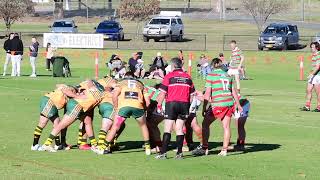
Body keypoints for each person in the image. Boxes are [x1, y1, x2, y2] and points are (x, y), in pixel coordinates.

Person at [192, 58, 242, 157]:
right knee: (226, 127)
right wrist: (238, 104)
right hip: (228, 103)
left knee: (205, 124)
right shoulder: (228, 75)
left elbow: (207, 94)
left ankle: (205, 148)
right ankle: (224, 150)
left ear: (212, 66)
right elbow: (234, 91)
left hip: (218, 104)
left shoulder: (211, 76)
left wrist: (204, 108)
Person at [95, 72, 151, 155]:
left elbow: (114, 96)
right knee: (143, 126)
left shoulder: (121, 83)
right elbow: (148, 102)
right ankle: (148, 148)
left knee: (115, 127)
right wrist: (144, 109)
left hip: (124, 107)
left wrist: (116, 107)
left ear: (125, 77)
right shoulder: (141, 84)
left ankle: (102, 148)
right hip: (138, 107)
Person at [41, 80, 105, 152]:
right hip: (76, 105)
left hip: (81, 106)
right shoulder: (101, 92)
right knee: (61, 125)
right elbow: (89, 81)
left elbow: (89, 82)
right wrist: (78, 95)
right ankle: (47, 144)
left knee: (88, 121)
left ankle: (94, 145)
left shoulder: (95, 89)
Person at [155, 57, 196, 160]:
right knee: (179, 129)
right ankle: (179, 153)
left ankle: (163, 153)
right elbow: (192, 94)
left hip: (172, 103)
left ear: (173, 66)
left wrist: (159, 105)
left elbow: (162, 93)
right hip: (184, 104)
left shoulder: (169, 76)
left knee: (167, 128)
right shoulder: (188, 77)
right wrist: (187, 105)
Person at [31, 84, 76, 151]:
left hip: (49, 102)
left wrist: (63, 86)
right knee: (43, 123)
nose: (73, 93)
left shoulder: (64, 89)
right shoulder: (68, 93)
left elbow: (57, 85)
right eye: (73, 91)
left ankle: (57, 145)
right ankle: (35, 145)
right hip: (49, 102)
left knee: (56, 123)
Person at [300, 42, 320, 112]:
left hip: (317, 75)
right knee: (308, 90)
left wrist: (312, 74)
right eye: (311, 47)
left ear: (317, 48)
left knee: (318, 92)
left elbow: (318, 67)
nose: (311, 48)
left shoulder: (318, 55)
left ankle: (319, 107)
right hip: (313, 75)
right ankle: (307, 106)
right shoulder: (314, 55)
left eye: (313, 47)